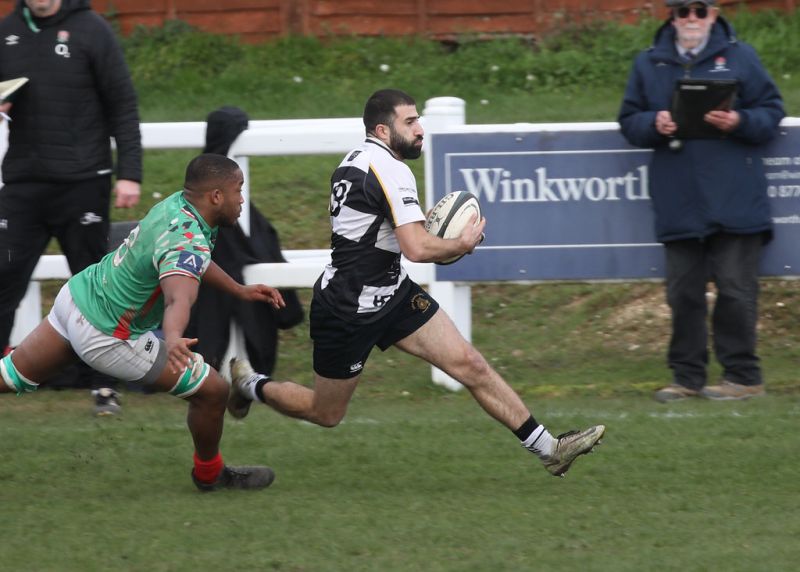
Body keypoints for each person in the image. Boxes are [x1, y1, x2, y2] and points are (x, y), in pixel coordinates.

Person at [226, 89, 605, 478]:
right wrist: (460, 244)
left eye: (418, 120)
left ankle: (550, 450)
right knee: (325, 412)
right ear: (382, 130)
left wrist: (429, 230)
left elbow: (382, 231)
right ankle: (250, 385)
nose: (420, 129)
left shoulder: (358, 160)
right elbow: (417, 248)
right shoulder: (388, 169)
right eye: (409, 122)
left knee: (469, 364)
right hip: (348, 309)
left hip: (392, 294)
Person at [0, 154, 285, 492]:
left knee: (8, 376)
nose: (242, 199)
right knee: (214, 391)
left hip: (76, 298)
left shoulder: (176, 206)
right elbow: (179, 296)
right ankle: (210, 475)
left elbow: (192, 261)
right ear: (216, 196)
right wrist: (174, 337)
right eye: (238, 190)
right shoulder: (188, 241)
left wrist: (237, 289)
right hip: (107, 334)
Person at [618, 0, 785, 402]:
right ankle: (687, 379)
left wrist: (739, 121)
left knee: (736, 291)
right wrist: (654, 122)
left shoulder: (742, 57)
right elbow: (629, 120)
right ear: (672, 17)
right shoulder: (648, 63)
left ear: (713, 14)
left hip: (735, 196)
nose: (690, 18)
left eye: (699, 10)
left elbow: (771, 110)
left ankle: (743, 377)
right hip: (679, 198)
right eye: (682, 11)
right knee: (683, 295)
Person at [0, 0, 143, 415]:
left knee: (94, 285)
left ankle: (104, 386)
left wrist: (130, 173)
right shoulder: (7, 31)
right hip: (23, 181)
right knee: (4, 276)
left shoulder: (92, 29)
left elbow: (123, 103)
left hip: (83, 181)